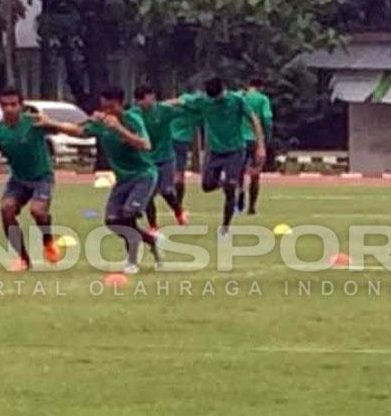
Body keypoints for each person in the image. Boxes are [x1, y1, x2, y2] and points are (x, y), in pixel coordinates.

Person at [49, 88, 160, 274]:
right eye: (104, 107)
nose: (107, 111)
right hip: (122, 179)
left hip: (143, 175)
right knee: (112, 221)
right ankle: (152, 240)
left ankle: (132, 261)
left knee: (128, 215)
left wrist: (118, 128)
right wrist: (51, 123)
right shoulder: (102, 123)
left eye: (111, 107)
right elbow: (77, 131)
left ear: (120, 104)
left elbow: (145, 144)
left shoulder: (131, 119)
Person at [0, 89, 62, 271]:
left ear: (21, 106)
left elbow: (60, 129)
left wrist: (50, 122)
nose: (9, 109)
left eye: (13, 104)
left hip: (42, 176)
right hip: (18, 179)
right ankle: (23, 259)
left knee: (38, 212)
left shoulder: (34, 122)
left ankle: (48, 241)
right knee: (6, 210)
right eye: (5, 105)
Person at [171, 78, 265, 237]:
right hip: (214, 151)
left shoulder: (237, 100)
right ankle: (225, 183)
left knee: (230, 189)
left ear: (224, 90)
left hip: (235, 150)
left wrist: (260, 145)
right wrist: (155, 105)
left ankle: (225, 227)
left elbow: (254, 119)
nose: (215, 101)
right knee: (207, 185)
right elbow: (180, 101)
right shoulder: (203, 101)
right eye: (212, 98)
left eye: (218, 97)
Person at [134, 87, 187, 235]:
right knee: (148, 194)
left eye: (147, 98)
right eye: (140, 101)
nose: (144, 103)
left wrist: (185, 103)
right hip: (147, 160)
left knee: (166, 190)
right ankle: (153, 226)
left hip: (165, 157)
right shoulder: (135, 114)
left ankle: (179, 211)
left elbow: (184, 110)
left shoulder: (163, 110)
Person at [238, 79, 275, 215]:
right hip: (255, 139)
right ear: (261, 87)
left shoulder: (240, 97)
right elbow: (267, 118)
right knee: (255, 173)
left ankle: (240, 195)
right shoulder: (263, 99)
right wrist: (266, 136)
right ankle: (252, 207)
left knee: (238, 171)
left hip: (238, 138)